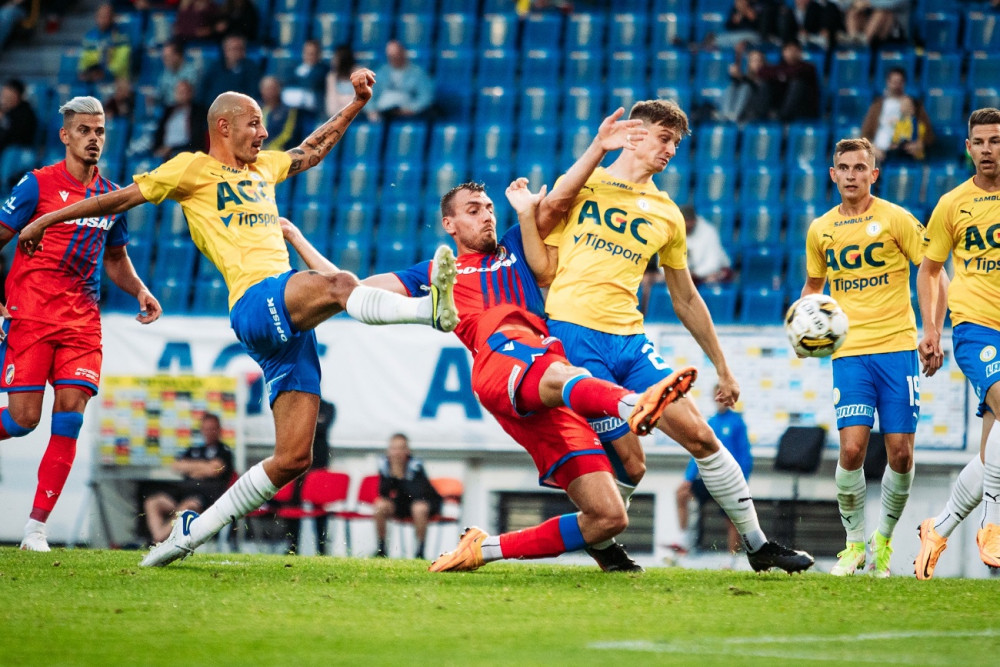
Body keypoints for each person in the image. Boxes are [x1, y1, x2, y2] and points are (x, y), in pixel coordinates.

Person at [16, 70, 460, 568]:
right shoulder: (190, 169)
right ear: (223, 127)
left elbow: (311, 150)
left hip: (287, 324)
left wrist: (357, 103)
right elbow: (118, 199)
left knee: (294, 458)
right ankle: (428, 311)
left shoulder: (263, 168)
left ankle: (190, 532)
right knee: (338, 284)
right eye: (254, 123)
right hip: (255, 301)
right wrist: (45, 220)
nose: (264, 133)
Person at [331, 175, 696, 573]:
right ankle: (634, 403)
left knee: (609, 516)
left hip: (540, 368)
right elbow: (353, 292)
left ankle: (484, 548)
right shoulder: (436, 271)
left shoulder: (515, 246)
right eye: (474, 210)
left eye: (489, 208)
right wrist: (316, 266)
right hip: (500, 359)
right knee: (563, 374)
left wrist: (597, 149)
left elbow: (556, 202)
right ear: (449, 224)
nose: (486, 216)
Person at [533, 103, 814, 574]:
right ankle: (603, 542)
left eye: (676, 143)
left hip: (630, 341)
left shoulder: (667, 213)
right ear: (634, 135)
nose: (670, 150)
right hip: (575, 338)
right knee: (632, 464)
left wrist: (723, 366)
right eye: (664, 138)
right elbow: (545, 223)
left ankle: (758, 546)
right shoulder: (586, 183)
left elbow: (685, 297)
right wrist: (596, 147)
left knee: (702, 437)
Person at [0, 95, 162, 552]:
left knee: (70, 417)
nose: (94, 138)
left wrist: (140, 290)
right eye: (85, 130)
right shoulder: (36, 185)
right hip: (31, 317)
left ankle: (35, 530)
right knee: (23, 420)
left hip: (82, 324)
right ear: (65, 135)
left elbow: (116, 258)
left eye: (100, 131)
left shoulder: (111, 198)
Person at [800, 136, 946, 577]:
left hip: (897, 348)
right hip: (850, 353)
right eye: (844, 168)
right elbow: (813, 286)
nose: (851, 175)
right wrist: (805, 323)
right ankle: (853, 545)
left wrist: (932, 331)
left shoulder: (896, 218)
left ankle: (882, 540)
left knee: (900, 454)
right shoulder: (820, 229)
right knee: (851, 449)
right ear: (833, 174)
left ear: (874, 174)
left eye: (860, 168)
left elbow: (933, 271)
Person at [916, 107, 1000, 574]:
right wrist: (931, 329)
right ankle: (993, 524)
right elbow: (929, 270)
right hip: (977, 327)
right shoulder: (953, 203)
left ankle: (939, 528)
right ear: (968, 148)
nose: (988, 150)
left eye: (996, 140)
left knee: (992, 453)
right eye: (980, 142)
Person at [674, 387, 752, 556]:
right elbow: (698, 452)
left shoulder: (737, 423)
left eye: (723, 396)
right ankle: (684, 541)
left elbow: (745, 456)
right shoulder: (710, 422)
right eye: (717, 396)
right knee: (681, 493)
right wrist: (688, 478)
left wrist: (742, 482)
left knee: (733, 518)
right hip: (709, 479)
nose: (720, 400)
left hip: (729, 481)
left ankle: (732, 559)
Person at [143, 412, 235, 543]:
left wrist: (192, 467)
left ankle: (158, 540)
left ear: (219, 429)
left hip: (206, 500)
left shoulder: (224, 451)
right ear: (201, 429)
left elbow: (214, 470)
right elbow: (176, 465)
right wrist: (203, 467)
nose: (209, 432)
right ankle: (158, 536)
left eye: (212, 428)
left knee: (188, 506)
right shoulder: (194, 449)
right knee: (153, 502)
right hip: (183, 494)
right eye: (206, 428)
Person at [372, 433, 442, 560]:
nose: (397, 453)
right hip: (401, 504)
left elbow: (418, 494)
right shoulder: (385, 465)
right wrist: (393, 476)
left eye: (400, 449)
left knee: (418, 508)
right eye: (394, 449)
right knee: (380, 505)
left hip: (422, 504)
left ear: (407, 451)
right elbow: (383, 493)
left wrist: (401, 477)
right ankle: (381, 548)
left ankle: (420, 551)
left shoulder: (416, 466)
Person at [861, 68, 935, 164]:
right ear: (887, 82)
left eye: (900, 82)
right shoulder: (877, 106)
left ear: (904, 83)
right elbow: (864, 134)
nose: (896, 86)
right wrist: (872, 148)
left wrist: (920, 144)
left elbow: (929, 134)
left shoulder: (914, 105)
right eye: (894, 82)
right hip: (880, 153)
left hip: (907, 152)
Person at [367, 39, 434, 123]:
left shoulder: (418, 73)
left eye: (396, 55)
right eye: (390, 56)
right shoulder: (381, 72)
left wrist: (413, 109)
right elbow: (369, 94)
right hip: (384, 112)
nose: (393, 58)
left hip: (409, 113)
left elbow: (426, 97)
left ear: (403, 53)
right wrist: (371, 110)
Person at [757, 39, 820, 122]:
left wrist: (780, 76)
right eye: (788, 50)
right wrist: (782, 75)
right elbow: (762, 72)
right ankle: (761, 117)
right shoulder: (780, 66)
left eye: (794, 50)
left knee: (796, 83)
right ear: (783, 52)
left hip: (803, 109)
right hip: (782, 106)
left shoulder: (808, 67)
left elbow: (796, 72)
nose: (791, 53)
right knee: (765, 83)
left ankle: (782, 118)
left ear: (800, 52)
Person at [198, 35, 261, 107]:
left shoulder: (251, 68)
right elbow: (203, 90)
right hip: (214, 109)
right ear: (225, 50)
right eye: (233, 49)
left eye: (239, 49)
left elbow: (252, 94)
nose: (236, 52)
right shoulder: (214, 67)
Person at [152, 79, 208, 159]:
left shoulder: (198, 112)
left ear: (191, 93)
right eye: (180, 92)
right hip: (165, 152)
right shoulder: (168, 111)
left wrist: (172, 148)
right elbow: (159, 133)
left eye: (186, 92)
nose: (183, 95)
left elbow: (197, 140)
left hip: (185, 152)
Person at [77, 3, 132, 83]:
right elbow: (84, 60)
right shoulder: (90, 36)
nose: (102, 19)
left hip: (116, 79)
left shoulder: (121, 36)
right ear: (96, 17)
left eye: (106, 16)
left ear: (112, 17)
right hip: (94, 76)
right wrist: (87, 71)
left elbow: (122, 62)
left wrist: (106, 72)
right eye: (100, 16)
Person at [719, 45, 770, 124]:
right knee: (731, 86)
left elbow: (755, 86)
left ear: (764, 62)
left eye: (759, 60)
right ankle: (726, 115)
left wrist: (741, 78)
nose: (756, 63)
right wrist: (734, 76)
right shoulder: (746, 77)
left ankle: (734, 117)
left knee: (745, 87)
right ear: (749, 63)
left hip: (753, 113)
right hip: (741, 111)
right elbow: (738, 82)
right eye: (753, 61)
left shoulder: (767, 77)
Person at [150, 39, 203, 108]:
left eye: (167, 57)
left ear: (178, 56)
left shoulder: (192, 72)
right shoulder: (166, 72)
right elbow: (159, 95)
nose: (164, 61)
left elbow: (189, 98)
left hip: (185, 110)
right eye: (163, 57)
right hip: (168, 110)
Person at [282, 40, 326, 117]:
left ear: (319, 55)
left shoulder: (323, 70)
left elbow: (312, 83)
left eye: (312, 54)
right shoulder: (294, 68)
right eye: (307, 53)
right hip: (293, 110)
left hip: (313, 112)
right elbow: (287, 82)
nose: (309, 56)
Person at [259, 76, 299, 151]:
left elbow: (288, 134)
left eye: (271, 88)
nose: (268, 92)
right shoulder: (257, 108)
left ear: (278, 89)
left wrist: (269, 147)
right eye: (265, 88)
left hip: (278, 151)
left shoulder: (288, 111)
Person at [0, 78, 38, 155]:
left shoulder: (25, 113)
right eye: (3, 96)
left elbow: (17, 137)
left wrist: (3, 120)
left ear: (17, 95)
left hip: (17, 152)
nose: (4, 100)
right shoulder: (6, 111)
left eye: (8, 97)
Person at [325, 44, 358, 118]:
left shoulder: (360, 74)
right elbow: (331, 106)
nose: (333, 61)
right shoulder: (331, 78)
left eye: (335, 58)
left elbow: (359, 102)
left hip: (357, 116)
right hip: (337, 117)